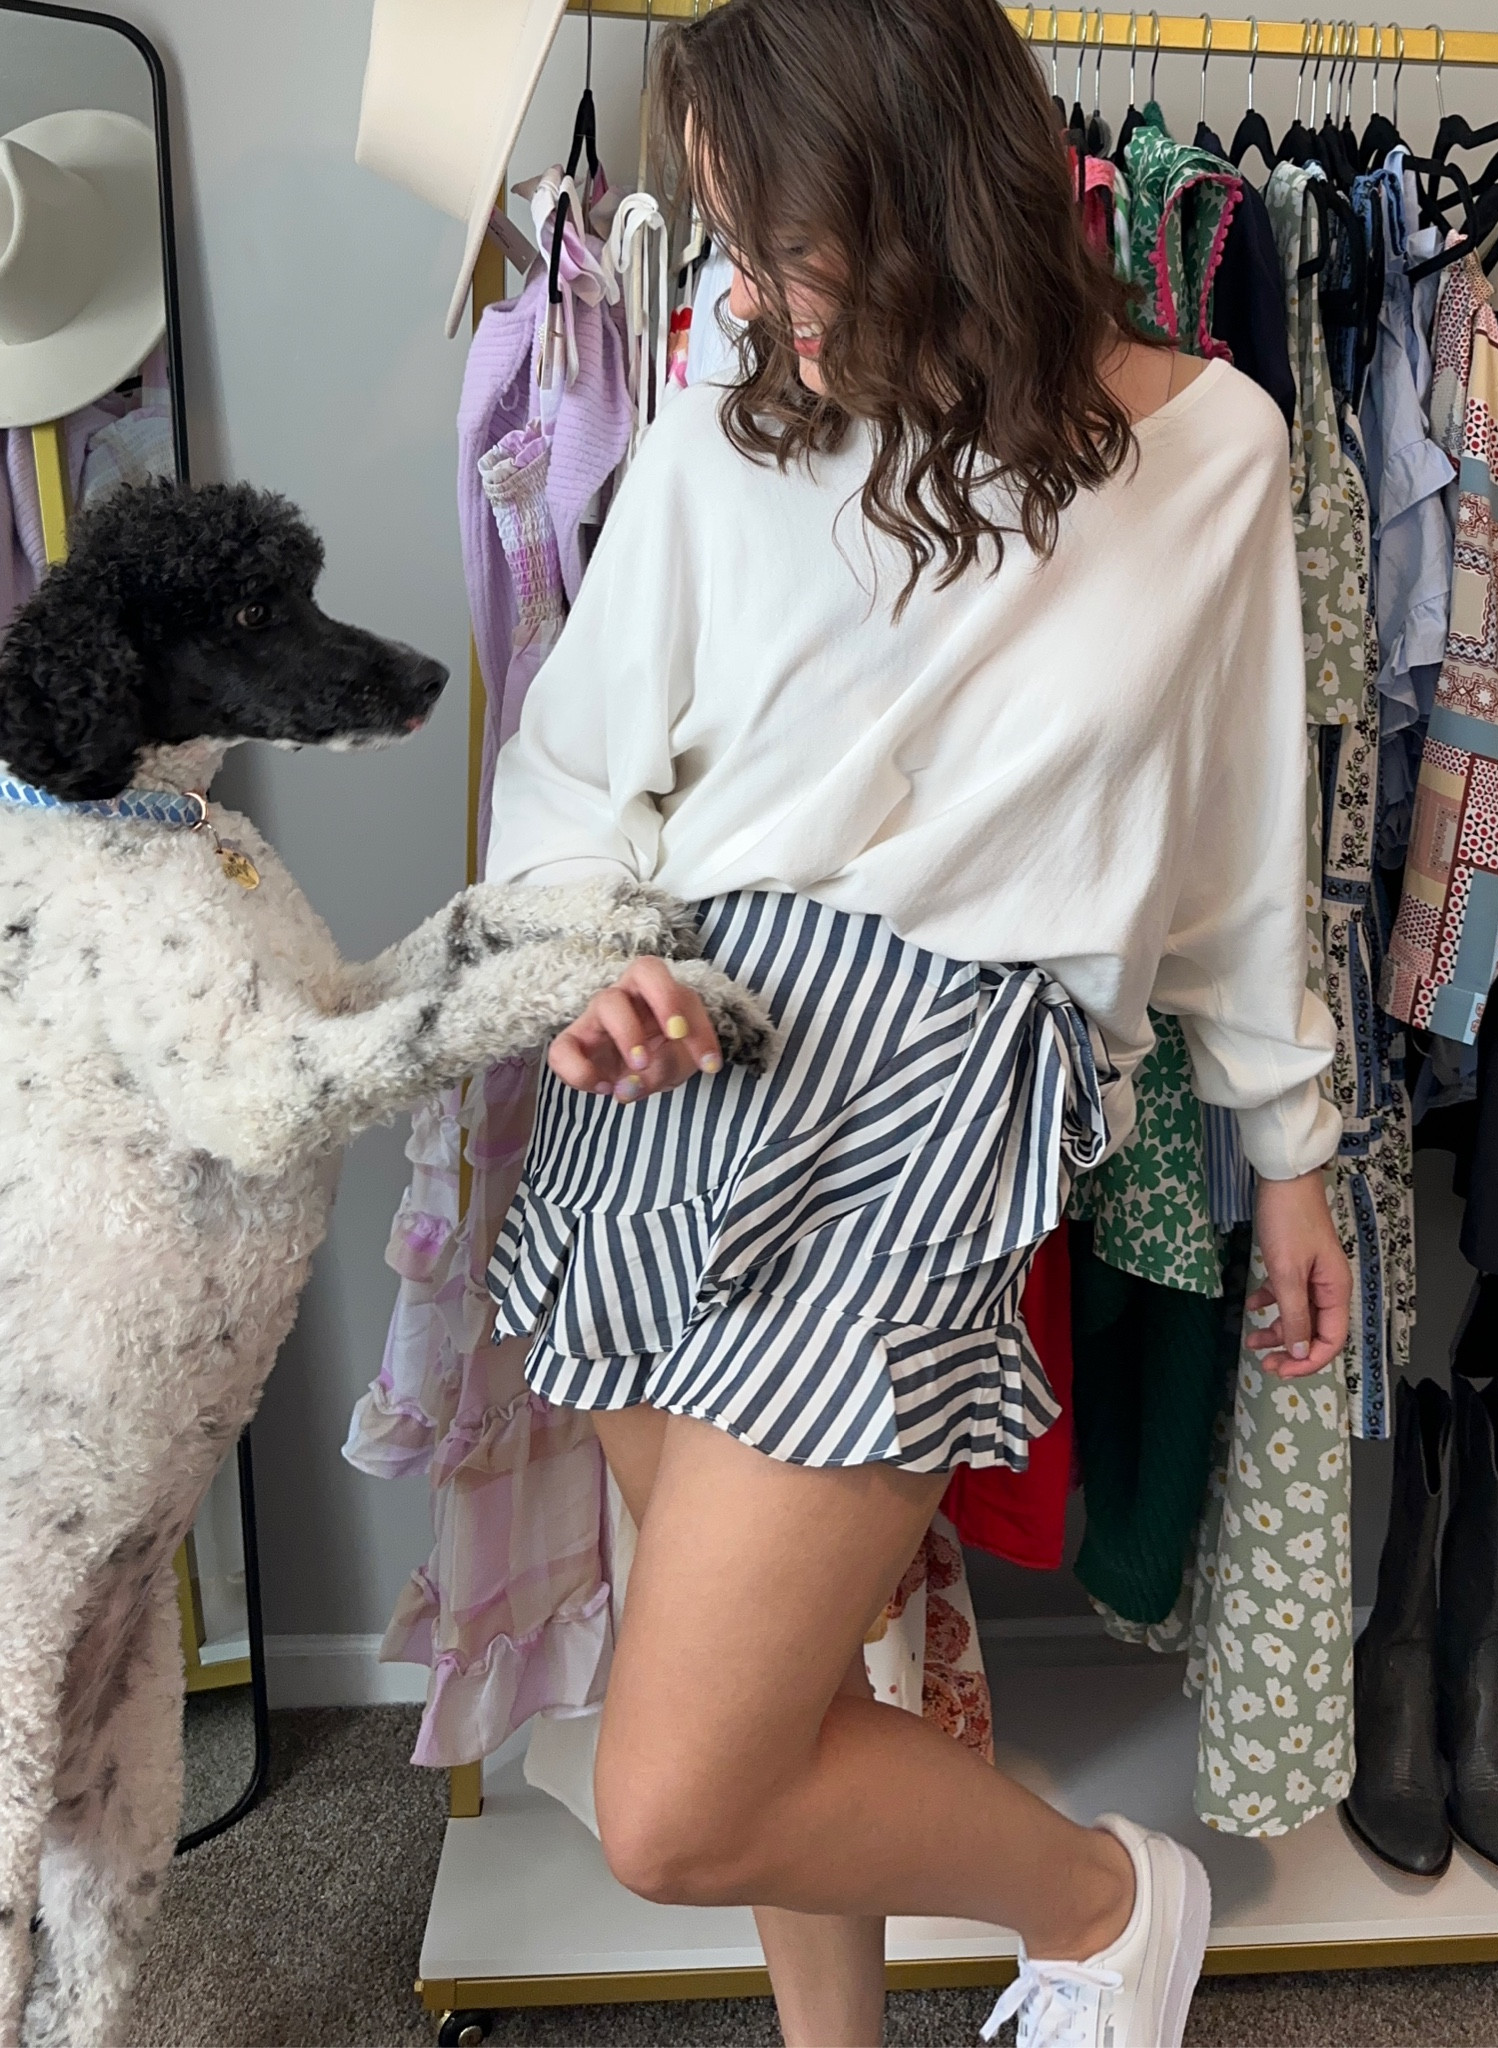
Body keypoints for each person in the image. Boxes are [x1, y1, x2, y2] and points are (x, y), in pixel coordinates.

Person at [484, 0, 1350, 2040]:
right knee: (778, 1714)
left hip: (940, 1091)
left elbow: (1238, 834)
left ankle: (1104, 1903)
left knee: (677, 1801)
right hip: (681, 1051)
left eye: (787, 251)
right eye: (731, 245)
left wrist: (1293, 1146)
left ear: (931, 203)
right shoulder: (725, 422)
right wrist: (590, 969)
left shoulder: (1214, 449)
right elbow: (575, 769)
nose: (751, 303)